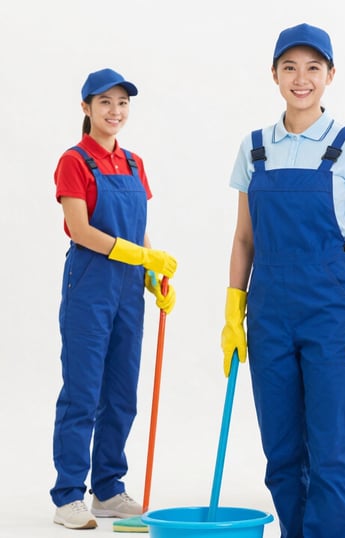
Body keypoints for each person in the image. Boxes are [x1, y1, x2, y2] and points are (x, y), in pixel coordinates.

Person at [220, 23, 345, 538]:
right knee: (283, 450)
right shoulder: (253, 148)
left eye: (313, 67)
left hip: (331, 307)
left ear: (330, 75)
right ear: (274, 74)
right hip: (267, 309)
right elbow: (245, 238)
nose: (301, 78)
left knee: (332, 448)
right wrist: (232, 311)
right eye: (290, 67)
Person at [51, 68, 178, 530]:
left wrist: (151, 274)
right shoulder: (74, 161)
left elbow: (137, 226)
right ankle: (68, 495)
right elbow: (81, 230)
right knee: (83, 392)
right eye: (104, 103)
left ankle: (107, 489)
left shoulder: (134, 164)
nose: (115, 111)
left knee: (122, 393)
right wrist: (136, 253)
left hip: (128, 290)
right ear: (86, 109)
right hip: (89, 285)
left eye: (122, 103)